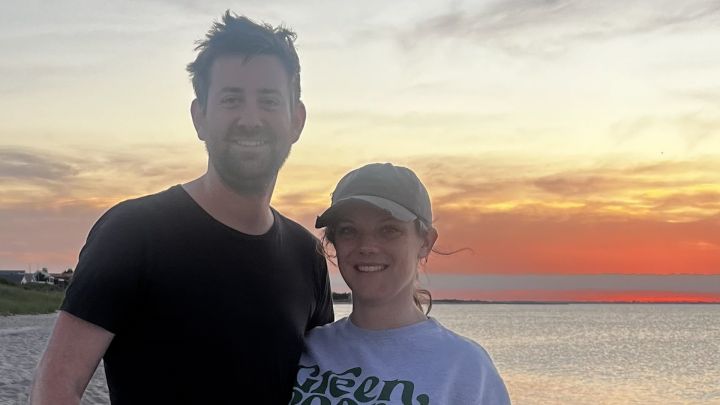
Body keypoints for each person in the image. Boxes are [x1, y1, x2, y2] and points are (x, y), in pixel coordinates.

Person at [30, 11, 333, 405]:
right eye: (231, 99)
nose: (250, 119)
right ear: (199, 117)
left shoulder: (307, 256)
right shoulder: (133, 233)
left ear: (296, 120)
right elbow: (56, 386)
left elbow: (323, 386)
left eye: (269, 100)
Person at [290, 163, 511, 405]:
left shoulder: (465, 368)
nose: (367, 246)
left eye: (389, 230)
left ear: (425, 242)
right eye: (348, 230)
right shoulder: (303, 350)